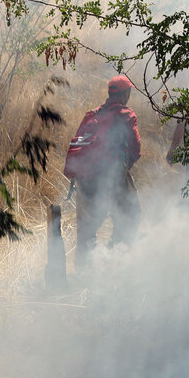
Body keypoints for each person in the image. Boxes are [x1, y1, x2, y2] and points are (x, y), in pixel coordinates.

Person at [64, 75, 142, 267]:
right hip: (113, 174)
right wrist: (127, 164)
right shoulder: (126, 114)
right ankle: (115, 259)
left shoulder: (92, 115)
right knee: (130, 213)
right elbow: (135, 146)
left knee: (88, 224)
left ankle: (84, 267)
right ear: (125, 95)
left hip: (86, 175)